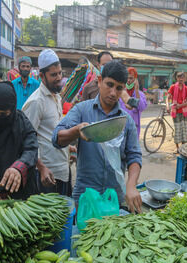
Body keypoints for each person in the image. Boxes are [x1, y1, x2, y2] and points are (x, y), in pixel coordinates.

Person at [52, 60, 143, 213]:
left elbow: (134, 156)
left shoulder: (126, 121)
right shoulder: (82, 110)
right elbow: (56, 138)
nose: (113, 93)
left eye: (119, 88)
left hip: (114, 198)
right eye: (109, 85)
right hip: (85, 197)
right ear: (100, 81)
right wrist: (75, 131)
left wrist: (131, 185)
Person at [23, 49, 76, 196]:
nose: (59, 78)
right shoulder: (36, 102)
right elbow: (26, 141)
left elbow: (51, 132)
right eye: (53, 75)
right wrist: (41, 168)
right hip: (47, 175)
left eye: (60, 73)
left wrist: (68, 147)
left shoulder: (56, 96)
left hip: (63, 169)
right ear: (41, 76)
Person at [119, 67, 147, 137]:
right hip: (121, 127)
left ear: (135, 79)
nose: (128, 80)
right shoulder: (120, 92)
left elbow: (142, 107)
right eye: (127, 78)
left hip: (134, 127)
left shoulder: (140, 94)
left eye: (131, 78)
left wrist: (137, 90)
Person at [166, 71, 187, 152]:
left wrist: (180, 106)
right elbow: (168, 98)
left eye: (182, 77)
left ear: (185, 79)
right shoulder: (173, 87)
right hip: (175, 112)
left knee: (184, 129)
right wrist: (167, 106)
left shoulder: (186, 89)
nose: (181, 79)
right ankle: (177, 148)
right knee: (177, 129)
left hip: (184, 111)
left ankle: (183, 146)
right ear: (177, 78)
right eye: (179, 77)